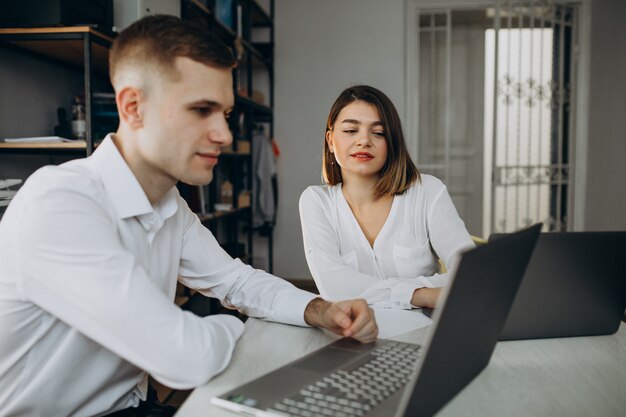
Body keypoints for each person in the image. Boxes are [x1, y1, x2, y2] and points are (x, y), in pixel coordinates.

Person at [0, 16, 377, 417]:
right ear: (133, 108)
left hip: (133, 407)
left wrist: (320, 309)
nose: (224, 135)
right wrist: (238, 330)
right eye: (202, 110)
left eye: (226, 114)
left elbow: (235, 280)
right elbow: (183, 357)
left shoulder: (169, 204)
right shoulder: (60, 204)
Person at [299, 85, 475, 310]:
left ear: (391, 142)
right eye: (351, 131)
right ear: (331, 141)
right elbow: (333, 288)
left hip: (423, 332)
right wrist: (421, 294)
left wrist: (366, 289)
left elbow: (469, 275)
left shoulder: (428, 191)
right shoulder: (316, 201)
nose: (364, 141)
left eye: (379, 132)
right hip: (352, 334)